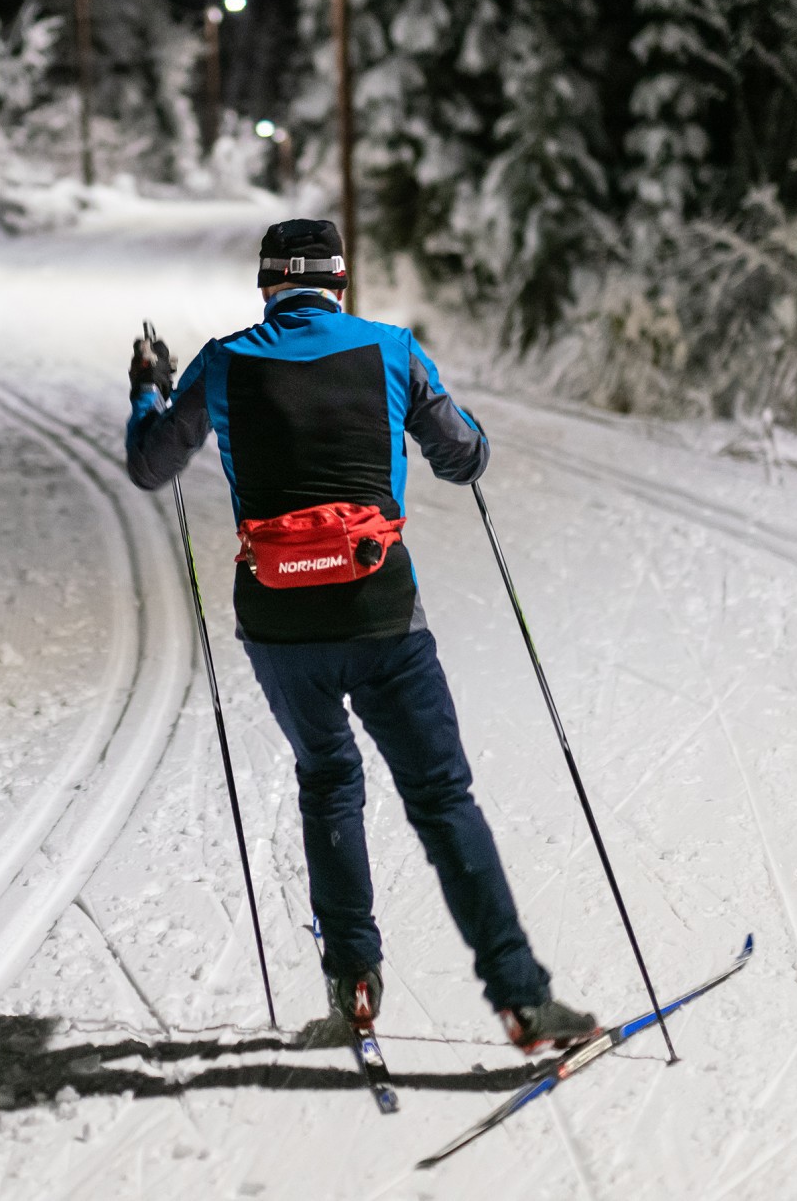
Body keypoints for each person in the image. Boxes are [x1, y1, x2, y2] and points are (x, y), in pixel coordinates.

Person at [124, 218, 598, 1051]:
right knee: (442, 800)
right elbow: (464, 458)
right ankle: (521, 997)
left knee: (327, 779)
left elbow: (151, 463)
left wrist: (148, 391)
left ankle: (353, 990)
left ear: (269, 285)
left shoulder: (223, 361)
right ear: (339, 281)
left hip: (275, 621)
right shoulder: (391, 349)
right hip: (381, 613)